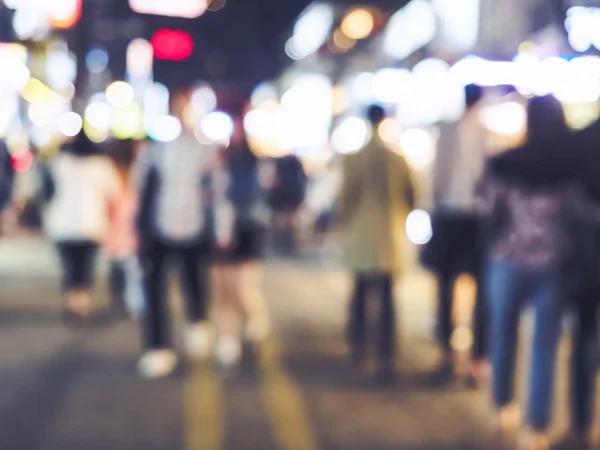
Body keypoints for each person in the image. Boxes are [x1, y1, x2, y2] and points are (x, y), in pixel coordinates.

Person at [479, 95, 596, 450]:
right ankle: (537, 429)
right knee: (544, 348)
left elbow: (487, 209)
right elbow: (579, 214)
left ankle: (504, 410)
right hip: (552, 265)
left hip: (506, 260)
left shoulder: (503, 163)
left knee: (503, 338)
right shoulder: (569, 168)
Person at [136, 93, 233, 379]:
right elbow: (141, 189)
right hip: (158, 230)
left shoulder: (207, 151)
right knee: (155, 292)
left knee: (195, 283)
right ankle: (158, 347)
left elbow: (218, 194)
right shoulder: (154, 149)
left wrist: (222, 230)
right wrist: (140, 229)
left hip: (195, 228)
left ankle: (197, 325)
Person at [339, 104, 416, 383]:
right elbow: (412, 195)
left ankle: (359, 346)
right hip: (389, 234)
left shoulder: (355, 158)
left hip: (361, 232)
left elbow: (346, 197)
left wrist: (347, 220)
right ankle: (386, 353)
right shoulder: (397, 158)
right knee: (386, 296)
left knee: (360, 291)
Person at [425, 84, 489, 385]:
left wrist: (433, 205)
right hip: (477, 219)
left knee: (445, 287)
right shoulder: (489, 134)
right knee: (482, 292)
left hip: (449, 216)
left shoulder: (448, 130)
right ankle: (478, 360)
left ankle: (448, 354)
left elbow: (436, 175)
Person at [212, 117, 271, 373]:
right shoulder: (222, 162)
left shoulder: (252, 164)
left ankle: (253, 332)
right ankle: (229, 345)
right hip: (226, 232)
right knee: (226, 292)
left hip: (244, 230)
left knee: (242, 290)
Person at [555, 114, 600, 449]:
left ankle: (581, 426)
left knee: (582, 339)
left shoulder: (579, 141)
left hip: (584, 259)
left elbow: (564, 202)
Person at [44, 132, 121, 322]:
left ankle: (74, 301)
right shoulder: (102, 165)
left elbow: (47, 192)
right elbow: (115, 192)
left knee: (70, 265)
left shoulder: (59, 163)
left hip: (62, 224)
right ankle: (81, 302)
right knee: (85, 264)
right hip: (92, 223)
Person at [105, 138, 144, 318]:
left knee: (121, 270)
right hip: (130, 231)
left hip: (120, 230)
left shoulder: (113, 172)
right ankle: (134, 303)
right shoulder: (138, 172)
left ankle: (125, 301)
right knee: (133, 272)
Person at [268, 153, 307, 255]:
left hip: (285, 204)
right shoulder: (295, 171)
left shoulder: (281, 170)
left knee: (284, 227)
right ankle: (288, 248)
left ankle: (284, 248)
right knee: (288, 227)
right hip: (290, 203)